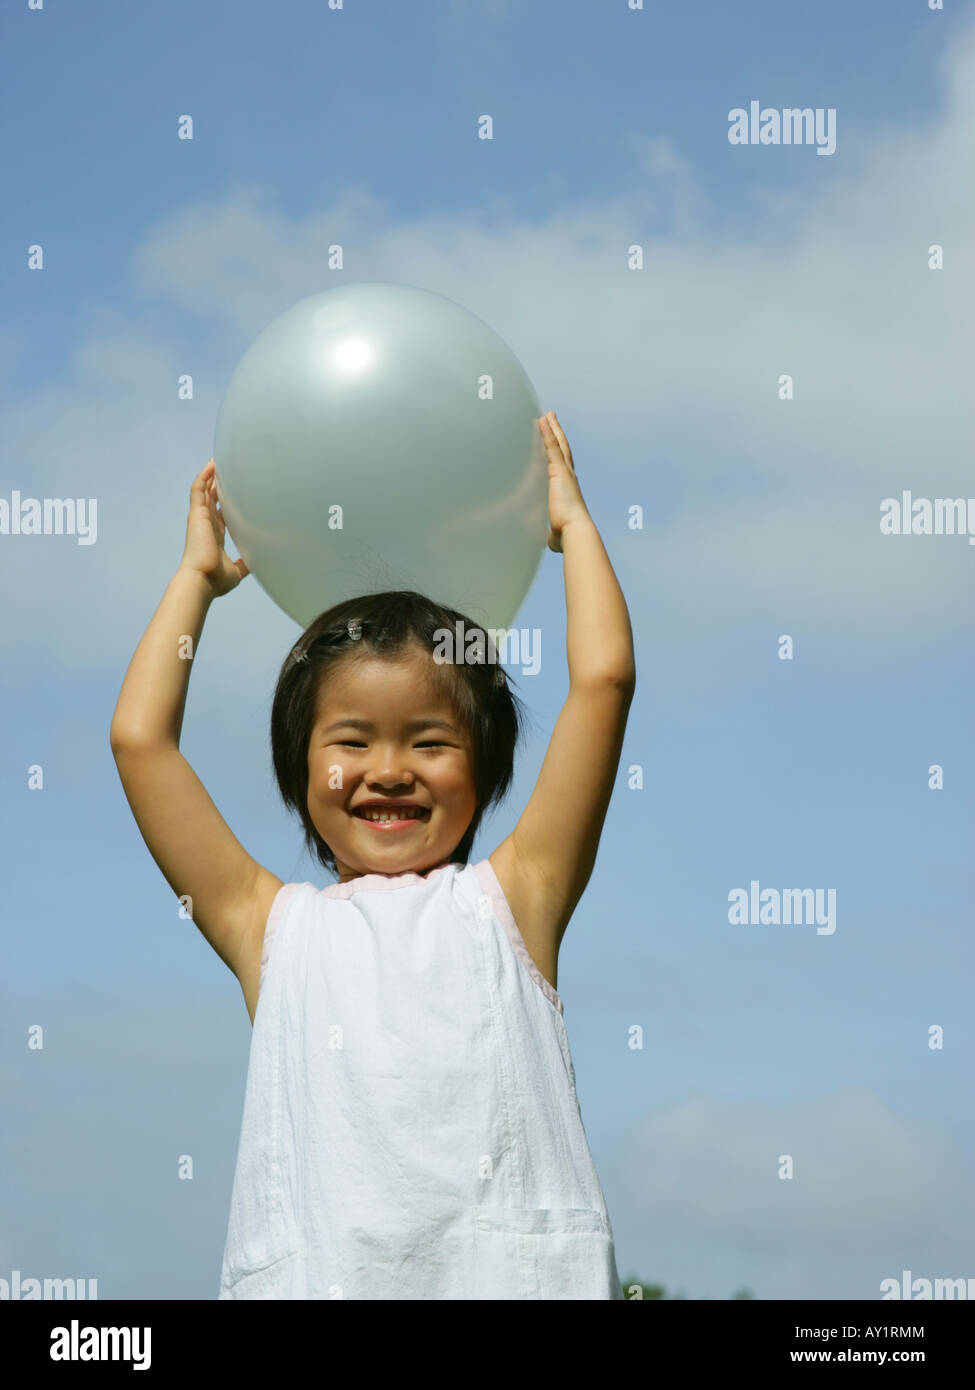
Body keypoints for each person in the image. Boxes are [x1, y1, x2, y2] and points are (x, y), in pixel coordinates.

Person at [109, 410, 636, 1299]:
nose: (387, 772)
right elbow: (140, 743)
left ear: (484, 767)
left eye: (429, 742)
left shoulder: (518, 897)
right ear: (299, 765)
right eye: (351, 740)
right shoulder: (266, 927)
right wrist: (195, 580)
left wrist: (572, 530)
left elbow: (602, 679)